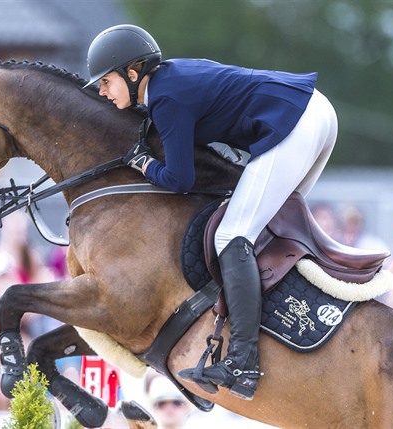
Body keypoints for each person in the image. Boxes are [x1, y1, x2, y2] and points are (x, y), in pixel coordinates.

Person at [85, 24, 337, 400]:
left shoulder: (165, 97)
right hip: (312, 111)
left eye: (106, 81)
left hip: (296, 120)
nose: (103, 91)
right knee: (267, 230)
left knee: (231, 236)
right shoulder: (170, 81)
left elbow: (180, 179)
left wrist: (143, 165)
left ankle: (242, 362)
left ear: (132, 73)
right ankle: (285, 327)